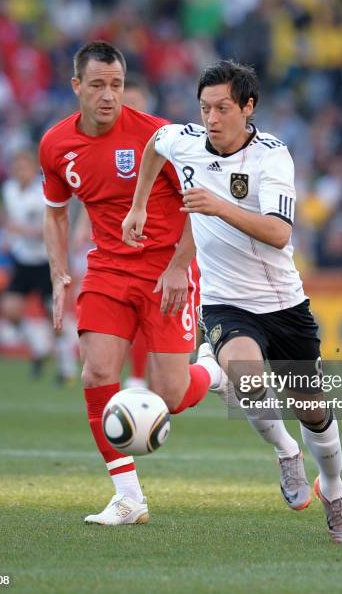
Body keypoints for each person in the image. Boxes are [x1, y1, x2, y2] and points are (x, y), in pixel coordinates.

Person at [123, 60, 342, 543]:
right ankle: (286, 453)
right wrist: (139, 204)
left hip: (284, 304)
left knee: (311, 407)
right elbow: (153, 145)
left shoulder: (272, 157)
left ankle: (333, 490)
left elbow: (278, 232)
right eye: (205, 107)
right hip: (226, 302)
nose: (211, 117)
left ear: (248, 108)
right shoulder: (183, 140)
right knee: (247, 381)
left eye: (223, 108)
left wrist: (218, 205)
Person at [40, 41, 225, 527]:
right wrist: (59, 271)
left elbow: (199, 207)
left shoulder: (160, 137)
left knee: (171, 394)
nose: (108, 96)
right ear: (77, 86)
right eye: (98, 85)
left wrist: (180, 266)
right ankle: (128, 497)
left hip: (167, 269)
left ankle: (214, 372)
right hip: (107, 270)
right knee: (97, 374)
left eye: (117, 85)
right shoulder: (56, 145)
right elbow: (56, 212)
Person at [71, 73, 156, 389]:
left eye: (136, 102)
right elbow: (94, 194)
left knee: (171, 382)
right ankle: (134, 379)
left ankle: (208, 366)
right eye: (126, 102)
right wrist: (82, 226)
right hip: (115, 248)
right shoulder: (107, 143)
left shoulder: (162, 139)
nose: (128, 108)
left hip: (159, 246)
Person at [0, 149, 77, 382]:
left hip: (46, 261)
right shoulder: (9, 189)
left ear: (33, 169)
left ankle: (67, 367)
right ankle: (39, 349)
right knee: (10, 310)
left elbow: (53, 224)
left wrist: (22, 231)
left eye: (24, 167)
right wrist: (10, 236)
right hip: (23, 259)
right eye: (16, 167)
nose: (20, 171)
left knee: (55, 318)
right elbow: (12, 219)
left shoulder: (41, 193)